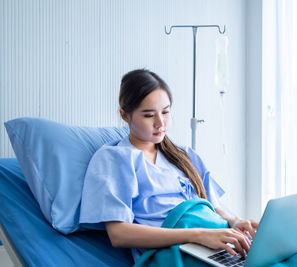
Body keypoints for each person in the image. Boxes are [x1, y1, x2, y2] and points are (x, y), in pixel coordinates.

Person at [79, 69, 258, 263]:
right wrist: (197, 235)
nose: (160, 123)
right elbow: (119, 234)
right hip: (176, 250)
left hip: (217, 240)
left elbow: (211, 205)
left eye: (166, 112)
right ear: (125, 116)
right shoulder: (115, 159)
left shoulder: (183, 155)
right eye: (149, 115)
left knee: (290, 259)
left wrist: (236, 222)